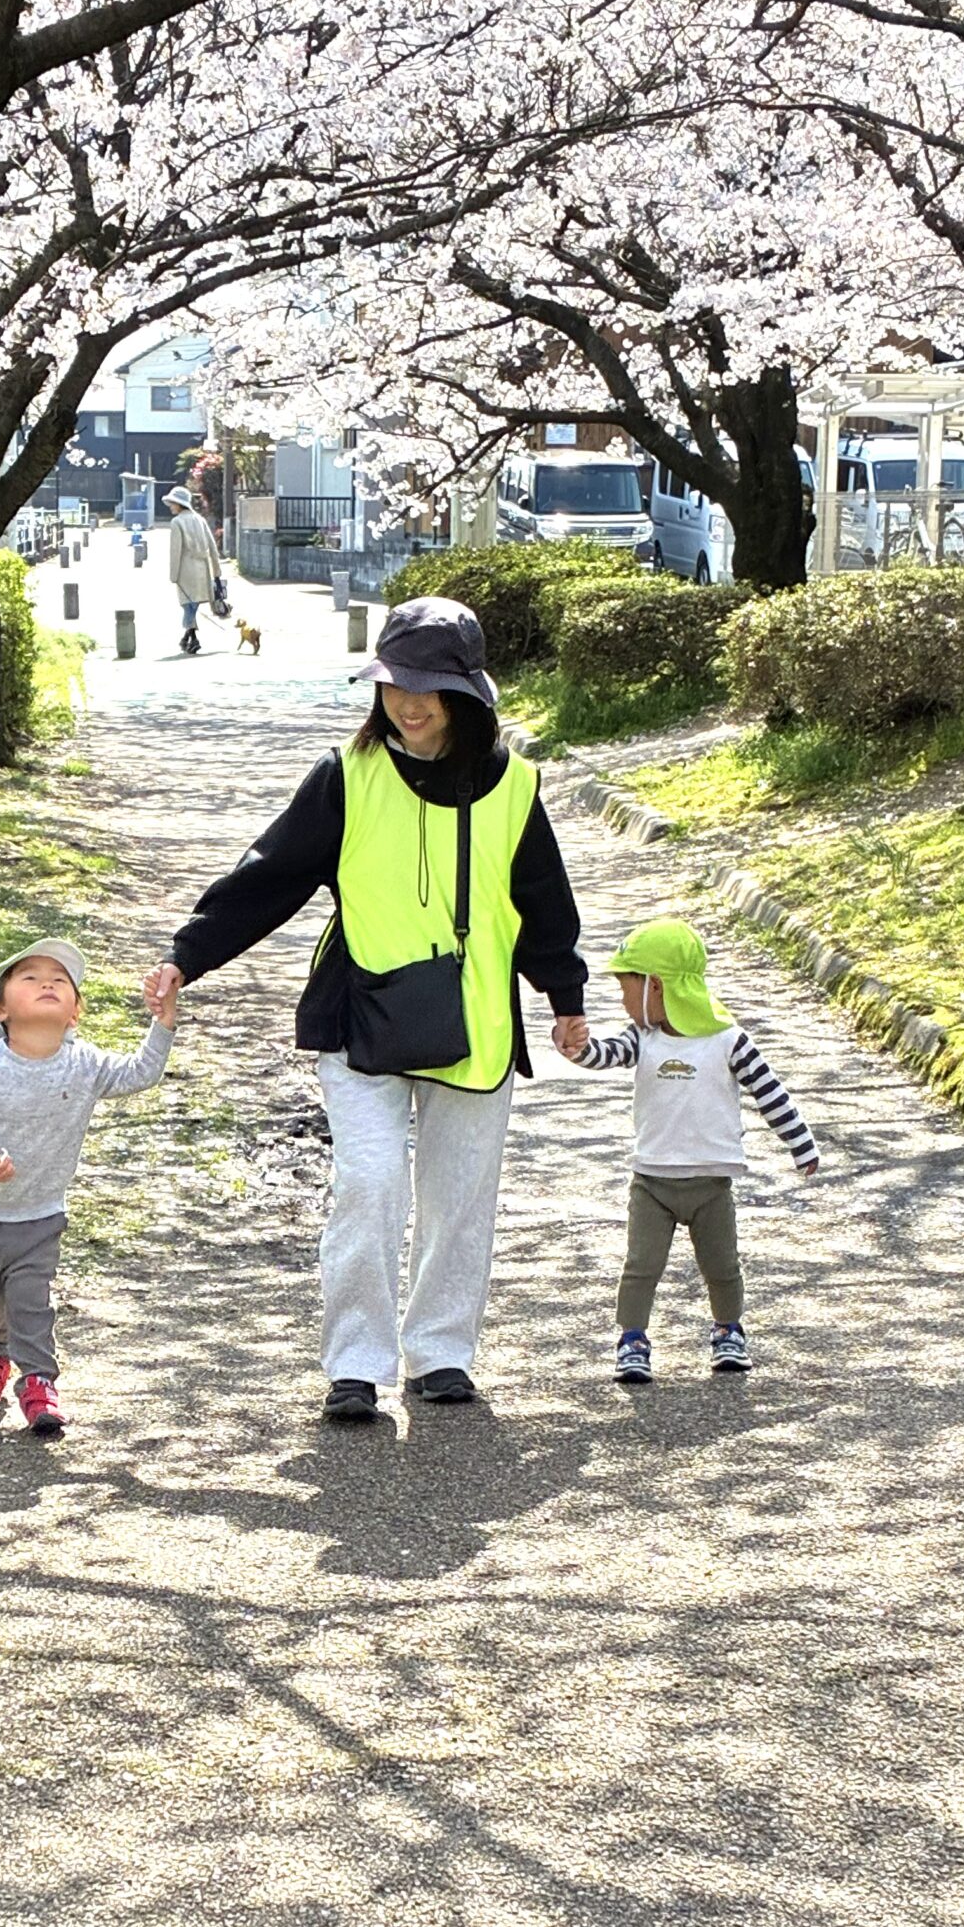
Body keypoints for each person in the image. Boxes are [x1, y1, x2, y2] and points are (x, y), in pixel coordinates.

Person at [145, 595, 588, 1422]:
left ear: (466, 694)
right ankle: (355, 1363)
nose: (408, 705)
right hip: (361, 1014)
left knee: (460, 1198)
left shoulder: (514, 786)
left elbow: (542, 903)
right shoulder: (346, 775)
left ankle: (442, 1352)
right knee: (371, 1182)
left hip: (477, 1023)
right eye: (393, 685)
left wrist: (565, 998)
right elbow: (270, 877)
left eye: (428, 689)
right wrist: (187, 954)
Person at [558, 918, 818, 1382]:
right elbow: (604, 1054)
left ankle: (728, 1331)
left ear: (656, 986)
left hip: (711, 1184)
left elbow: (771, 1094)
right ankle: (632, 1339)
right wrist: (578, 1048)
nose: (623, 1002)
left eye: (626, 989)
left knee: (723, 1266)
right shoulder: (642, 1038)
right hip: (652, 1182)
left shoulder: (728, 1040)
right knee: (640, 1266)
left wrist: (801, 1144)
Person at [0, 938, 175, 1436]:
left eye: (60, 980)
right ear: (0, 1010)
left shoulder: (85, 1064)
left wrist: (163, 1022)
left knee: (31, 1302)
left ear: (74, 1012)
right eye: (30, 978)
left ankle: (39, 1382)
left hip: (40, 1217)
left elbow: (142, 1072)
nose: (47, 983)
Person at [164, 485, 221, 655]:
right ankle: (187, 638)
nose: (171, 506)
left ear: (179, 504)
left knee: (187, 605)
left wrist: (173, 575)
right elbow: (212, 546)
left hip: (186, 570)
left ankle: (193, 638)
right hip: (203, 569)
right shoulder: (200, 519)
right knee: (192, 606)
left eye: (173, 503)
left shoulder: (177, 522)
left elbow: (175, 551)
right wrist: (216, 571)